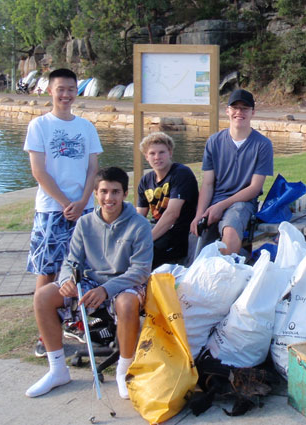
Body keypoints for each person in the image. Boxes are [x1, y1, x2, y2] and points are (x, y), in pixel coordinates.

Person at [25, 167, 153, 399]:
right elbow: (71, 261)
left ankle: (124, 371)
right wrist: (66, 281)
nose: (109, 198)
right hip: (90, 282)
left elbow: (140, 271)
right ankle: (57, 370)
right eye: (103, 191)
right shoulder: (84, 223)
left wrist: (106, 290)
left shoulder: (140, 225)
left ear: (125, 194)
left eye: (115, 192)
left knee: (125, 303)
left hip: (124, 284)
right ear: (95, 193)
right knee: (43, 296)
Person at [23, 68, 102, 357]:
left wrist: (82, 202)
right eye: (61, 89)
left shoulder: (86, 127)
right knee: (47, 271)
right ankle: (46, 335)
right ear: (50, 91)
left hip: (85, 210)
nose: (66, 95)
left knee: (83, 268)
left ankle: (80, 322)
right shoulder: (39, 126)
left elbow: (93, 169)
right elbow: (38, 170)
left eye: (71, 89)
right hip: (50, 211)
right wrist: (63, 202)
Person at [190, 89, 273, 256]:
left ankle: (227, 274)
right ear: (227, 111)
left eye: (245, 108)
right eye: (235, 108)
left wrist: (221, 206)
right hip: (215, 200)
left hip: (243, 202)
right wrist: (199, 215)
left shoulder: (262, 144)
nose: (239, 112)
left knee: (230, 230)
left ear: (252, 113)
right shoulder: (214, 142)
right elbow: (207, 183)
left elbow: (255, 188)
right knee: (196, 235)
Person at [136, 132, 199, 268]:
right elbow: (138, 216)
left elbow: (172, 214)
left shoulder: (181, 174)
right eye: (152, 153)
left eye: (162, 152)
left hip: (180, 234)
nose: (157, 157)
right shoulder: (146, 181)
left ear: (170, 153)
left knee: (145, 254)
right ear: (146, 156)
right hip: (158, 230)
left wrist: (147, 241)